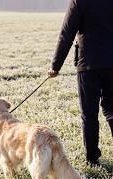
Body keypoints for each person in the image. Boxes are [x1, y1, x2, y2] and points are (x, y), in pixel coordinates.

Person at [48, 0, 113, 165]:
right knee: (112, 109)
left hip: (88, 64)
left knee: (89, 114)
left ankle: (92, 159)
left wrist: (55, 66)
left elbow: (66, 33)